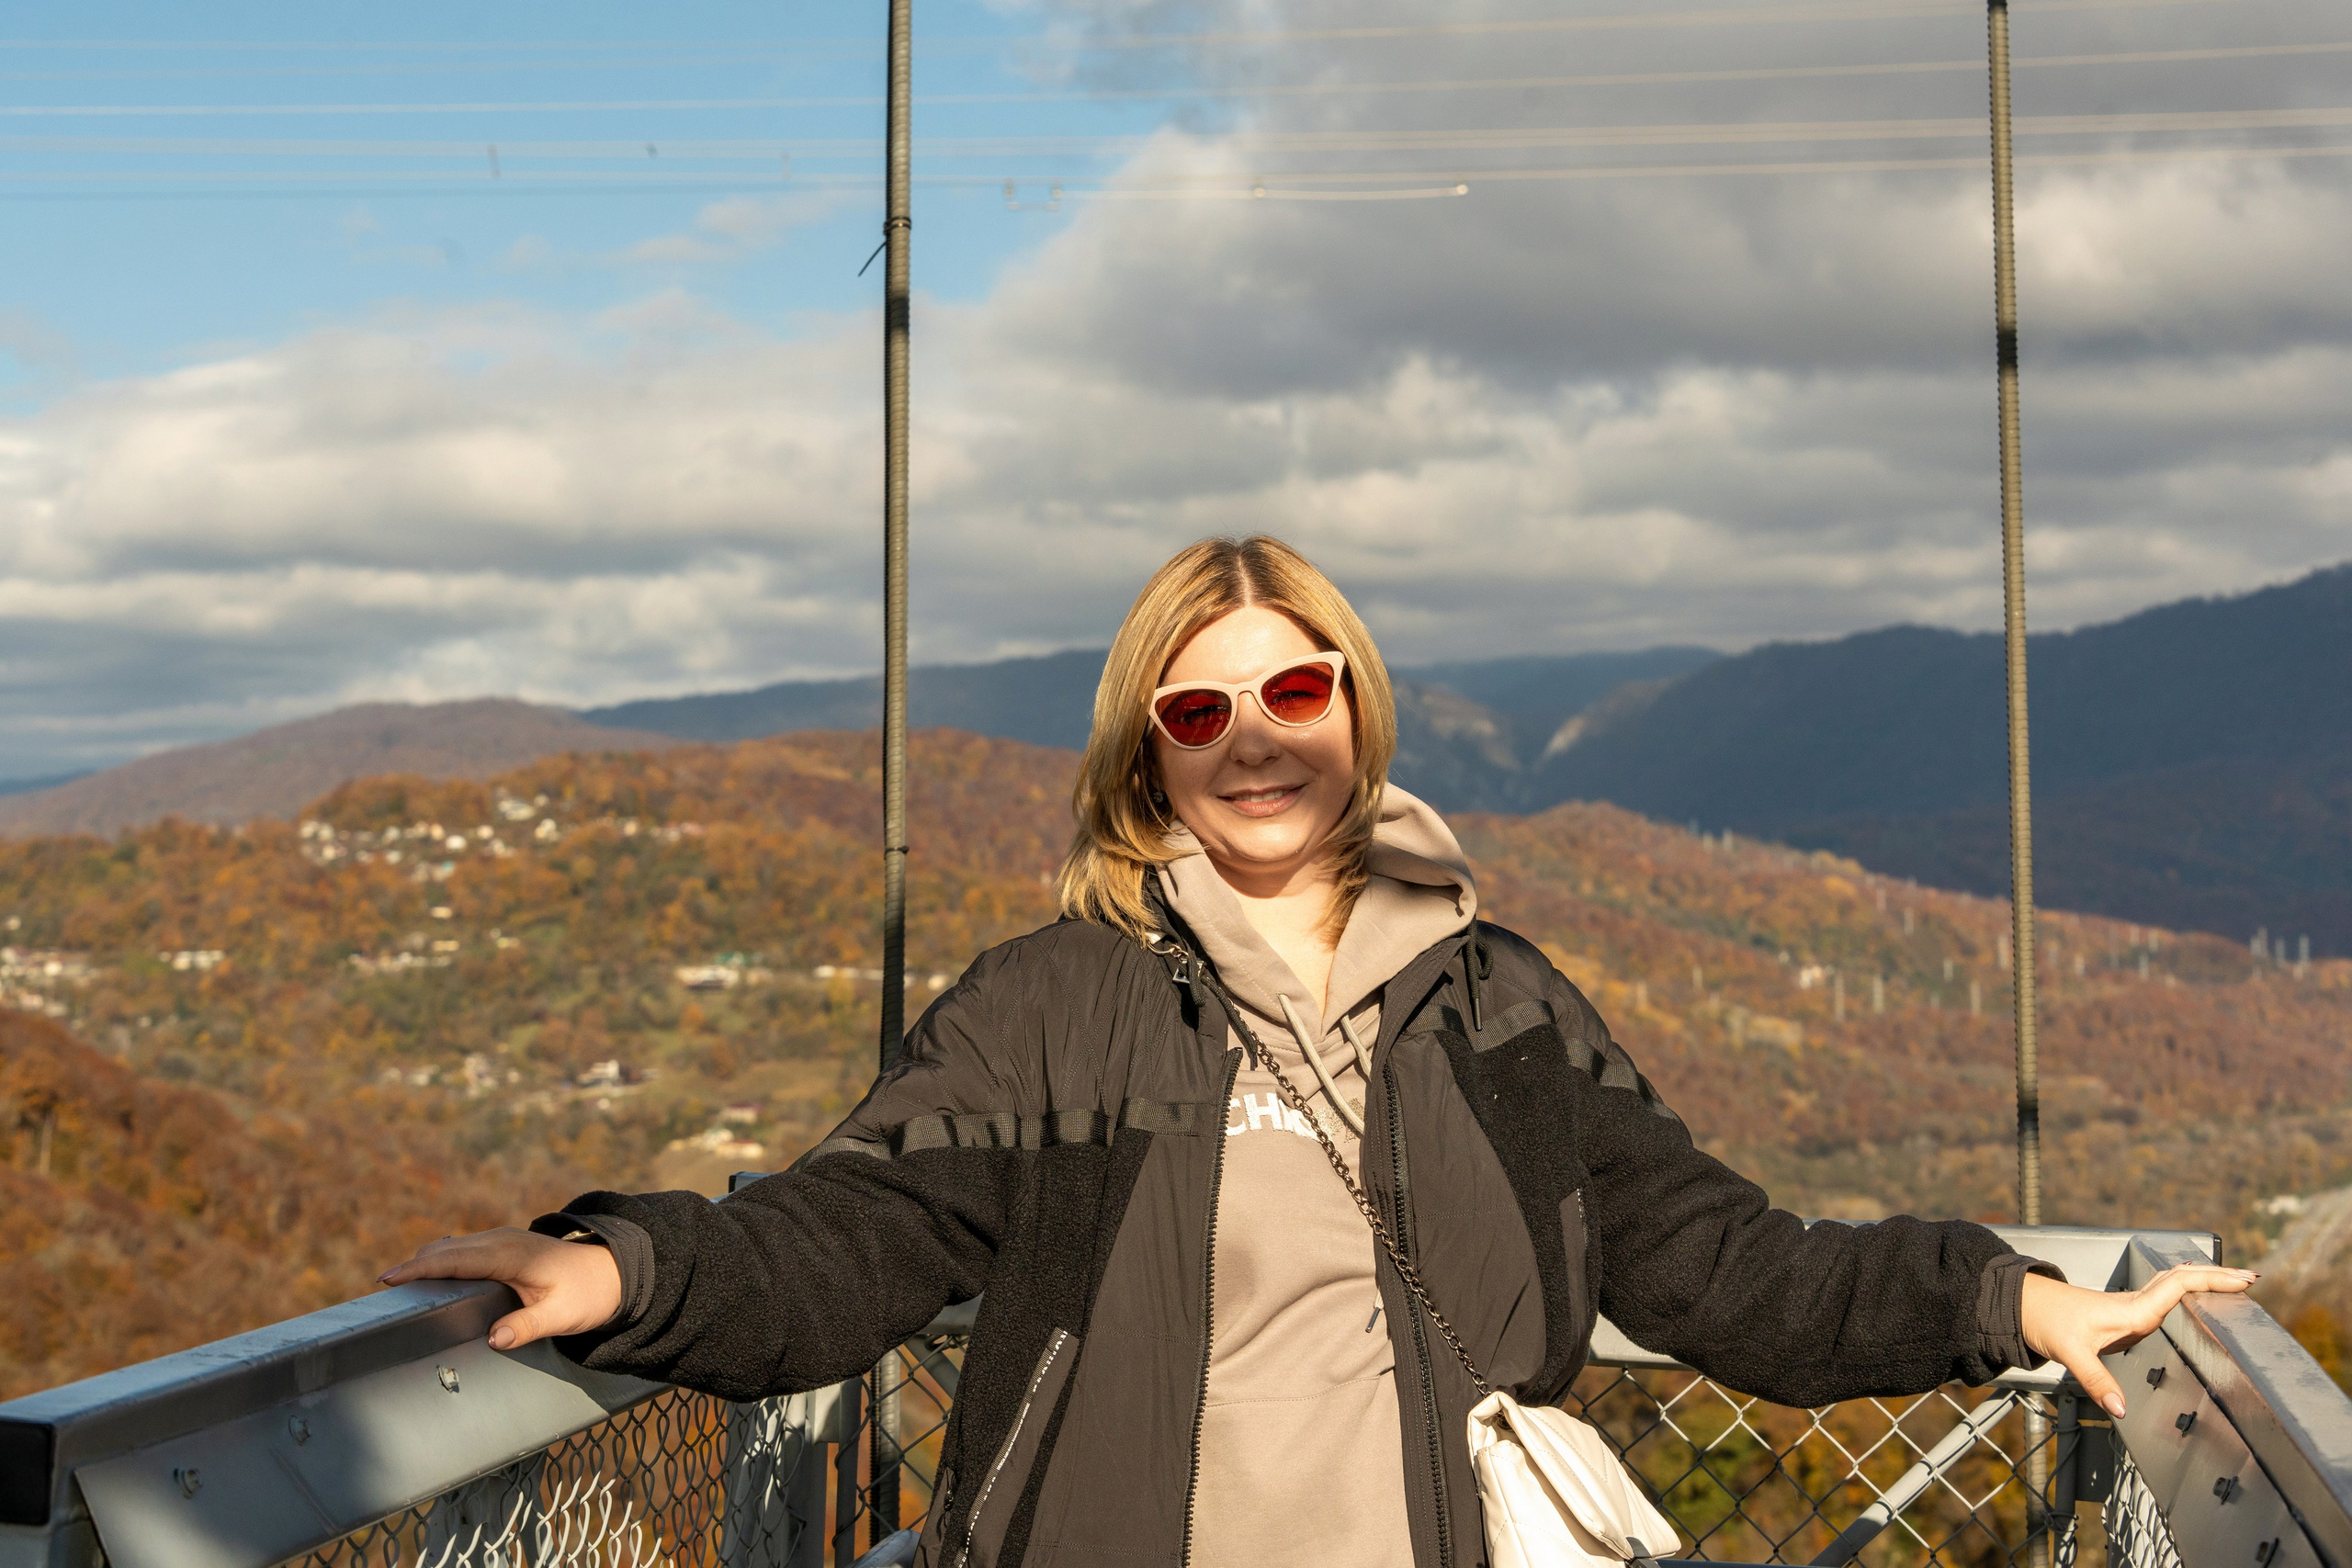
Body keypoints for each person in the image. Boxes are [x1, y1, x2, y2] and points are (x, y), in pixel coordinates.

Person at [382, 536, 2253, 1568]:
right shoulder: (1058, 1002)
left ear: (1357, 707)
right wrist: (629, 1256)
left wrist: (2006, 1303)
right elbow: (849, 1232)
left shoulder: (1499, 1000)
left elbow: (1721, 1262)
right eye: (1199, 705)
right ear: (1145, 756)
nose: (1252, 734)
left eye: (1295, 686)